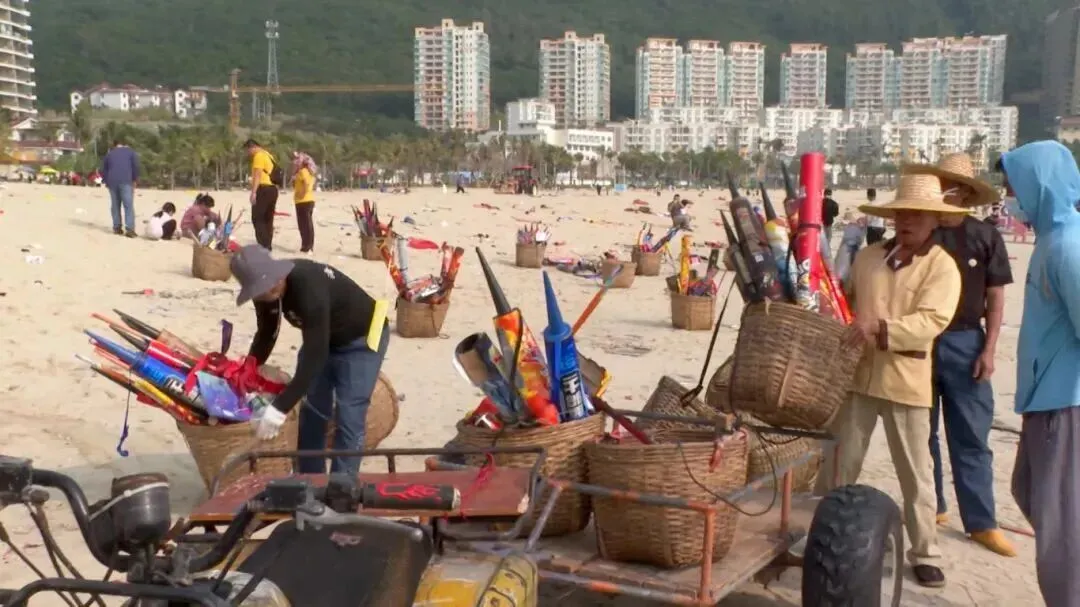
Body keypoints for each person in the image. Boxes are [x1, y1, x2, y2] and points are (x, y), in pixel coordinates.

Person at [817, 173, 965, 588]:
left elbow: (931, 322)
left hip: (906, 379)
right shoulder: (868, 259)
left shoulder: (942, 268)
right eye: (901, 212)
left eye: (916, 214)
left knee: (916, 473)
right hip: (858, 377)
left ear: (934, 220)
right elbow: (844, 298)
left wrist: (877, 328)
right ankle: (820, 533)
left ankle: (925, 551)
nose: (906, 220)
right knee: (837, 463)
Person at [903, 153, 1014, 557]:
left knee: (970, 435)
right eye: (945, 186)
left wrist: (990, 348)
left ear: (969, 193)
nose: (952, 194)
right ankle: (933, 508)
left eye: (959, 188)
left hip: (967, 342)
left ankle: (982, 522)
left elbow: (996, 295)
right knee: (921, 431)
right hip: (918, 340)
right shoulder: (918, 232)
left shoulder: (985, 235)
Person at [998, 141, 1080, 607]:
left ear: (1038, 186)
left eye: (1014, 188)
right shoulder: (1053, 238)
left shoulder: (1068, 245)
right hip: (1042, 400)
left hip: (1063, 402)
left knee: (1062, 531)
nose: (1011, 198)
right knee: (1030, 494)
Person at [230, 245, 390, 478]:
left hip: (361, 340)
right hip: (323, 337)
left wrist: (279, 409)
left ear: (280, 271)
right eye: (261, 288)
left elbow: (315, 356)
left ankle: (341, 487)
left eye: (273, 281)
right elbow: (267, 331)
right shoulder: (264, 292)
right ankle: (309, 480)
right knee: (313, 410)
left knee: (349, 413)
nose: (270, 289)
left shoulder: (308, 285)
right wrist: (251, 367)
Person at [245, 139, 281, 250]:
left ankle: (263, 245)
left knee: (257, 218)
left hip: (263, 189)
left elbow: (257, 175)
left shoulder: (258, 156)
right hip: (273, 189)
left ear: (252, 147)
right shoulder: (268, 155)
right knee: (268, 218)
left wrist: (254, 192)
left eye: (248, 150)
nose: (248, 153)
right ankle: (267, 245)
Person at [101, 139, 140, 238]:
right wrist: (135, 179)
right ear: (124, 144)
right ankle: (130, 229)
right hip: (126, 180)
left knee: (115, 204)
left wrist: (105, 181)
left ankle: (117, 227)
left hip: (112, 181)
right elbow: (135, 166)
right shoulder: (130, 152)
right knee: (128, 205)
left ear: (114, 145)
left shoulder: (109, 154)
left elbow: (104, 169)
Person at [291, 151, 317, 254]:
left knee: (305, 225)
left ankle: (308, 246)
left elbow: (306, 185)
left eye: (297, 160)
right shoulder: (305, 172)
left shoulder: (303, 172)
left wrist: (301, 194)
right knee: (304, 224)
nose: (295, 161)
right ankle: (305, 245)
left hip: (304, 201)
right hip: (306, 201)